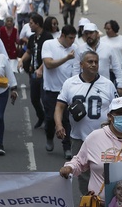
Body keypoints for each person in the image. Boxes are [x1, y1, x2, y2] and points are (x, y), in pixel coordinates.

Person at [59, 96, 122, 204]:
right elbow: (79, 162)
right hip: (99, 203)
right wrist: (69, 168)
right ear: (110, 116)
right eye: (120, 113)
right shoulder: (95, 138)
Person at [55, 50, 118, 195]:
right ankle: (87, 200)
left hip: (104, 138)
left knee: (105, 171)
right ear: (81, 64)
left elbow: (117, 109)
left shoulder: (107, 85)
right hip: (79, 137)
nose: (94, 65)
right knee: (83, 174)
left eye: (96, 62)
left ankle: (106, 200)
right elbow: (59, 106)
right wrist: (59, 124)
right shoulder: (70, 83)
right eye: (90, 62)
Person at [42, 25, 77, 160]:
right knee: (51, 119)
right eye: (70, 38)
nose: (72, 41)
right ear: (62, 35)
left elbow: (75, 70)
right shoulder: (49, 44)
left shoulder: (75, 48)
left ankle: (67, 147)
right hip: (51, 90)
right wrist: (66, 58)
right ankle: (49, 137)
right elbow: (49, 64)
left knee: (67, 120)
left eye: (74, 38)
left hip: (67, 92)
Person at [18, 14, 53, 129]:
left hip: (45, 74)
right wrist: (22, 60)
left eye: (31, 23)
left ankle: (49, 122)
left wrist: (41, 69)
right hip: (33, 73)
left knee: (45, 99)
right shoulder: (32, 38)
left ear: (37, 24)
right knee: (34, 99)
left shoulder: (48, 37)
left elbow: (50, 56)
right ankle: (41, 117)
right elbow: (28, 52)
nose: (29, 25)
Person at [73, 23, 122, 96]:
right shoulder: (80, 50)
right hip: (84, 86)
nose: (88, 36)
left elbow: (116, 66)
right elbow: (76, 69)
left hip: (104, 86)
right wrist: (75, 85)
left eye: (91, 33)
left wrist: (120, 85)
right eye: (86, 33)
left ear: (97, 34)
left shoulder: (108, 48)